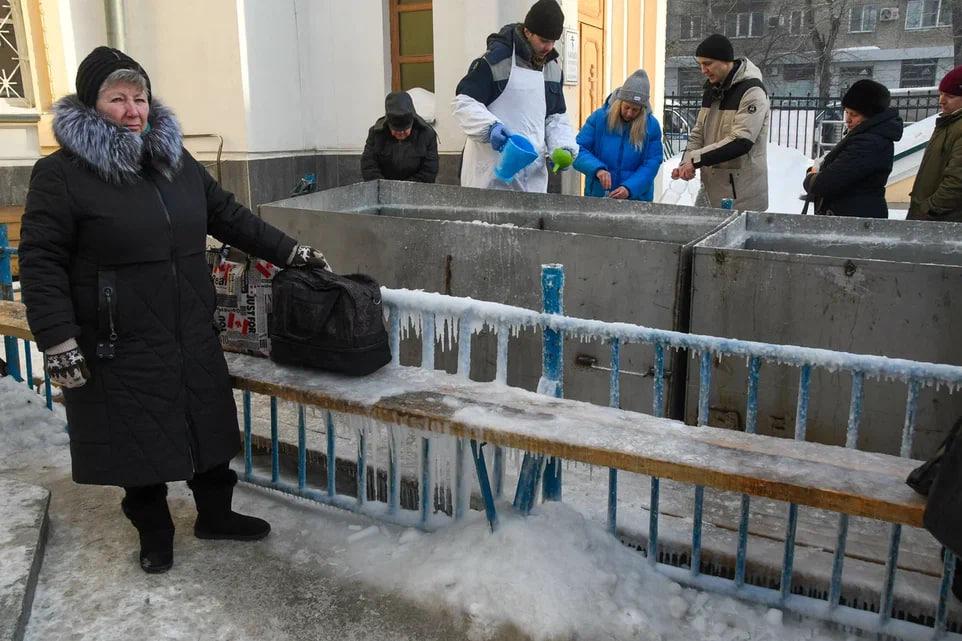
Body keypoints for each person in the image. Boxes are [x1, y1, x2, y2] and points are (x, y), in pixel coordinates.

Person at [19, 46, 329, 575]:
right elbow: (41, 260)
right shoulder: (62, 175)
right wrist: (58, 341)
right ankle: (154, 534)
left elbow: (228, 216)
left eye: (139, 97)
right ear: (91, 105)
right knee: (137, 442)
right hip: (119, 339)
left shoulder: (174, 160)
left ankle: (216, 516)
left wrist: (290, 252)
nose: (133, 109)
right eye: (117, 98)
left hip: (189, 327)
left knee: (205, 426)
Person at [452, 0, 578, 192]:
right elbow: (465, 103)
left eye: (553, 41)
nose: (549, 47)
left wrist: (562, 146)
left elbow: (555, 117)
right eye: (544, 40)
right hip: (490, 175)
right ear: (528, 32)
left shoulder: (552, 69)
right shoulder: (495, 61)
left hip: (533, 179)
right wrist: (490, 128)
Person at [672, 34, 770, 211]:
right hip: (710, 188)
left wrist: (695, 160)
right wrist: (685, 163)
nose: (703, 70)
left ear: (725, 61)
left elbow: (740, 141)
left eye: (707, 63)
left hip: (741, 193)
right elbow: (698, 132)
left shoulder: (752, 91)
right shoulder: (712, 90)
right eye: (700, 64)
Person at [802, 79, 903, 218]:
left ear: (870, 117)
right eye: (846, 112)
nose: (848, 119)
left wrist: (811, 177)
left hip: (856, 221)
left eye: (854, 115)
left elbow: (825, 183)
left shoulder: (868, 143)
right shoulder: (868, 137)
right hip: (853, 217)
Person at [573, 69, 664, 201]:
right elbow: (578, 150)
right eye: (626, 107)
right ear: (619, 102)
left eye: (635, 110)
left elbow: (652, 162)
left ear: (642, 109)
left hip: (636, 199)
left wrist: (629, 188)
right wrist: (597, 169)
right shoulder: (599, 118)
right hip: (598, 195)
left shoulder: (651, 126)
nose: (629, 113)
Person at [907, 65, 962, 222]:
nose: (942, 101)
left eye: (950, 96)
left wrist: (928, 209)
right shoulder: (949, 122)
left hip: (941, 220)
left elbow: (957, 182)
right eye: (941, 94)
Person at [360, 91, 439, 183]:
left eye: (405, 129)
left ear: (412, 122)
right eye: (396, 130)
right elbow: (369, 166)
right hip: (384, 189)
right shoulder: (376, 133)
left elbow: (429, 171)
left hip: (417, 190)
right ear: (388, 124)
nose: (401, 133)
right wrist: (384, 187)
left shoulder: (427, 134)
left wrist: (404, 188)